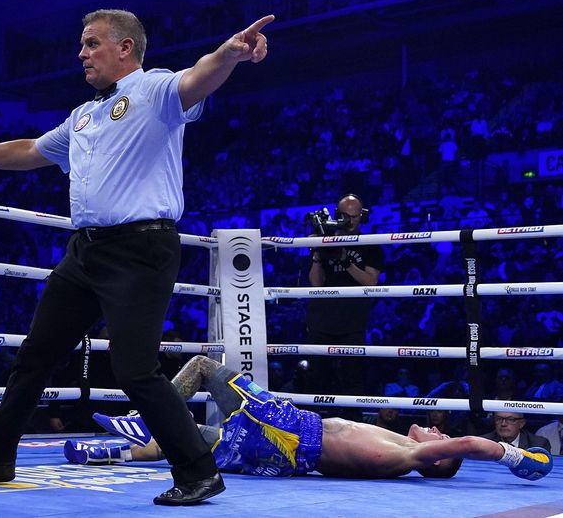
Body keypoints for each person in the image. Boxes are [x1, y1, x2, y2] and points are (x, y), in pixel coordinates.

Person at [0, 9, 273, 505]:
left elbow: (199, 77)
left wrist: (231, 53)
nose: (81, 53)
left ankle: (198, 471)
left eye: (91, 44)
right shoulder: (83, 114)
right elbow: (30, 150)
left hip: (140, 249)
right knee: (35, 356)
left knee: (134, 369)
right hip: (84, 253)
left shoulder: (154, 91)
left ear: (125, 47)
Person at [70, 356, 552, 481]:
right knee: (198, 441)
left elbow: (468, 445)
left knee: (203, 368)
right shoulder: (399, 452)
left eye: (439, 438)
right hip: (288, 454)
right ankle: (103, 453)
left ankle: (144, 417)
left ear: (435, 459)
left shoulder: (410, 455)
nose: (437, 430)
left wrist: (516, 455)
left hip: (292, 428)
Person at [305, 194, 385, 401]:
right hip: (321, 321)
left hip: (352, 323)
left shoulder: (370, 244)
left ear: (362, 216)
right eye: (345, 216)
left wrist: (345, 261)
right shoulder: (324, 240)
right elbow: (316, 282)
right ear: (338, 215)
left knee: (353, 381)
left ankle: (353, 426)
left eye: (355, 216)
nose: (350, 221)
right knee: (318, 380)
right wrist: (316, 253)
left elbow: (371, 281)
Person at [480, 412, 551, 451]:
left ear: (521, 423)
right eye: (499, 419)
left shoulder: (538, 444)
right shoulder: (483, 442)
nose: (503, 424)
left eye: (510, 419)